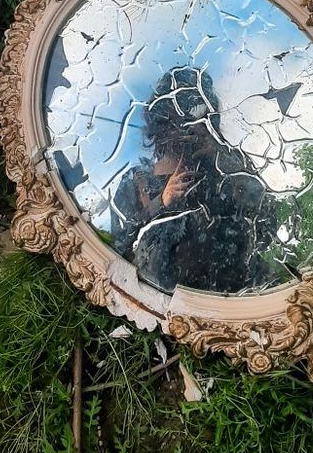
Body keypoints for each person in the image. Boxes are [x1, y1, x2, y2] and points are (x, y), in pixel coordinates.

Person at [111, 67, 277, 293]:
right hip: (160, 295)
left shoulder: (230, 165)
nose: (186, 130)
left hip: (242, 295)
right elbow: (118, 248)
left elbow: (268, 223)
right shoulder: (136, 182)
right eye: (177, 118)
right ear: (160, 121)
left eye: (201, 119)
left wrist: (221, 159)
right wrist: (162, 202)